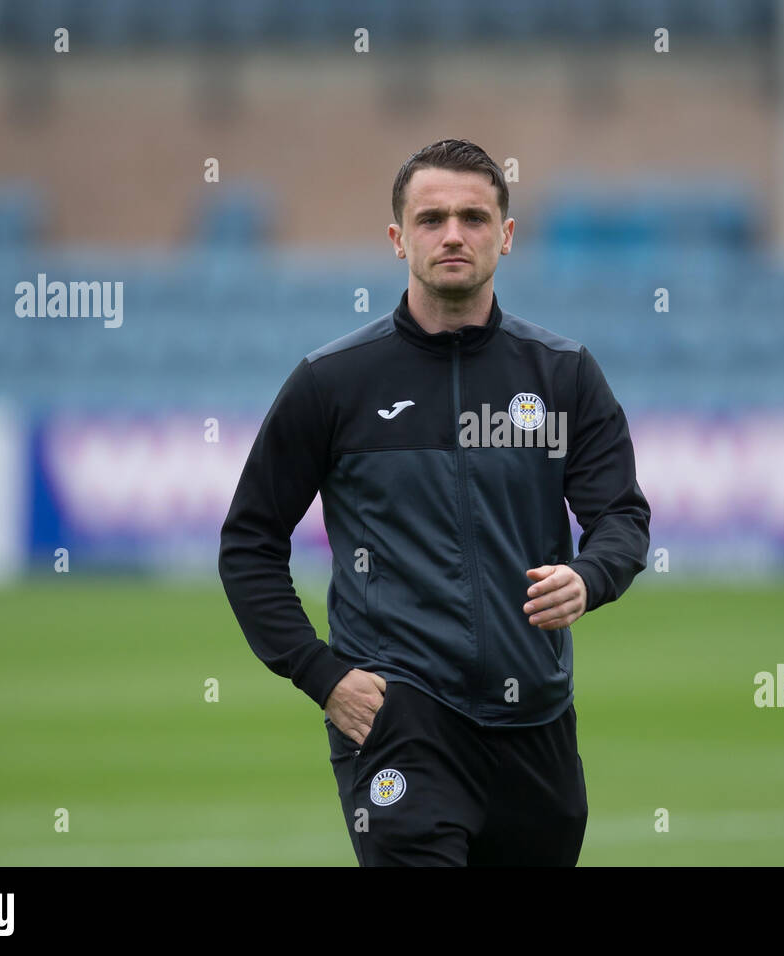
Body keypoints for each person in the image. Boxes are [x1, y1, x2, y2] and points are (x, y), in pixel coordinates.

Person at [218, 138, 651, 865]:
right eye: (432, 218)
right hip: (399, 719)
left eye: (474, 217)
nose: (454, 234)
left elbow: (622, 518)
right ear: (398, 239)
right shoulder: (332, 383)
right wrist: (323, 677)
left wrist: (590, 575)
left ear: (506, 237)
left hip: (535, 721)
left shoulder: (562, 374)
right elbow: (249, 543)